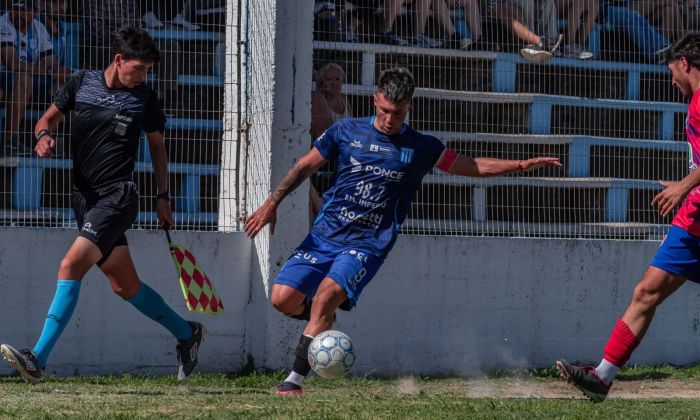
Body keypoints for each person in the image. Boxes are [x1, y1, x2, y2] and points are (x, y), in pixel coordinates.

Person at [244, 66, 562, 396]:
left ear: (409, 107)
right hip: (325, 234)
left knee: (325, 297)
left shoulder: (420, 146)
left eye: (397, 113)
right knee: (282, 299)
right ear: (374, 100)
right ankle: (321, 322)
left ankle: (294, 380)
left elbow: (471, 165)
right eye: (384, 110)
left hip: (367, 244)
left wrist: (521, 165)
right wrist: (272, 203)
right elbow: (304, 165)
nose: (389, 119)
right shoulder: (346, 131)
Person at [0, 27, 204, 384]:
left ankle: (38, 359)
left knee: (70, 265)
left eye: (147, 71)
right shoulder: (81, 83)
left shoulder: (144, 98)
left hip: (118, 196)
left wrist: (163, 195)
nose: (143, 76)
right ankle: (187, 334)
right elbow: (45, 120)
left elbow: (157, 147)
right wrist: (43, 137)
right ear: (119, 59)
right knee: (126, 287)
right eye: (138, 68)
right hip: (84, 198)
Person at [556, 32, 700, 403]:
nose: (671, 80)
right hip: (693, 219)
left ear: (685, 64)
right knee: (645, 292)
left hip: (694, 210)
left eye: (672, 71)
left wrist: (684, 186)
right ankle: (602, 377)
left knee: (645, 293)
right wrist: (687, 185)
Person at [0, 0, 71, 155]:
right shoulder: (3, 23)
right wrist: (42, 70)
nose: (19, 15)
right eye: (16, 10)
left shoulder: (39, 28)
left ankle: (53, 142)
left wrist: (62, 74)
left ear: (35, 14)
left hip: (31, 81)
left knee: (64, 85)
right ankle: (9, 142)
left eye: (25, 11)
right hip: (5, 78)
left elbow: (53, 64)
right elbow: (12, 64)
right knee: (24, 79)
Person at [310, 62, 352, 221]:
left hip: (341, 154)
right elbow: (324, 135)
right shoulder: (318, 98)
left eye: (337, 78)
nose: (334, 82)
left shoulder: (344, 100)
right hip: (324, 154)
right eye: (329, 79)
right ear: (321, 82)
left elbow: (352, 131)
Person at [491, 0, 564, 63]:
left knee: (549, 2)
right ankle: (531, 45)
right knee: (526, 1)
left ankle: (551, 44)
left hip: (517, 5)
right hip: (498, 4)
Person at [600, 0, 669, 63]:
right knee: (629, 20)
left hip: (611, 9)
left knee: (637, 17)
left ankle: (663, 46)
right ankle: (653, 55)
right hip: (603, 13)